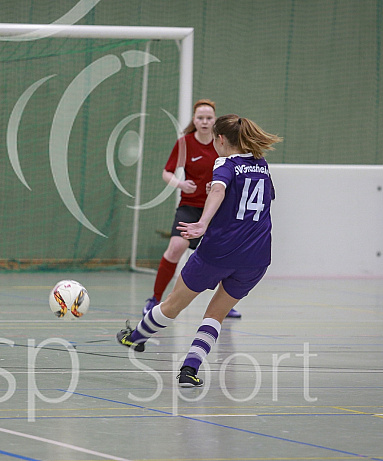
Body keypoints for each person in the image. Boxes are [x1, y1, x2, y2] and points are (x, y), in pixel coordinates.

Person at [118, 114, 281, 387]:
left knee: (173, 305)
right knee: (216, 315)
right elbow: (258, 198)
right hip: (256, 257)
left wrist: (203, 222)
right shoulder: (261, 165)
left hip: (219, 251)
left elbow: (218, 191)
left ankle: (135, 337)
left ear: (219, 139)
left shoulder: (224, 162)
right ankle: (189, 371)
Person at [143, 99, 241, 319]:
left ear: (215, 121)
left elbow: (233, 173)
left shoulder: (222, 144)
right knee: (176, 246)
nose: (204, 122)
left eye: (209, 118)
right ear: (194, 120)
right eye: (200, 118)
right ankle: (155, 299)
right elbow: (166, 172)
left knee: (224, 255)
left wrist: (216, 187)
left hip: (217, 209)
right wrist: (181, 184)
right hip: (189, 206)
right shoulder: (185, 143)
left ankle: (226, 304)